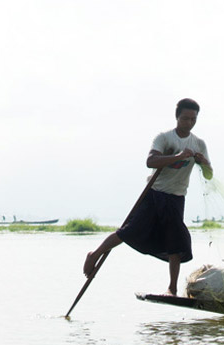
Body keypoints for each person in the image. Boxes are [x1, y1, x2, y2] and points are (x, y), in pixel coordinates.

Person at [83, 98, 213, 295]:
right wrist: (178, 156)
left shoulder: (198, 144)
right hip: (154, 193)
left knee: (176, 242)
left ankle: (172, 288)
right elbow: (151, 161)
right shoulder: (165, 138)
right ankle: (95, 254)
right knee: (129, 231)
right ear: (177, 117)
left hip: (177, 197)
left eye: (193, 119)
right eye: (185, 118)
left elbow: (209, 175)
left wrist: (203, 163)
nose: (189, 122)